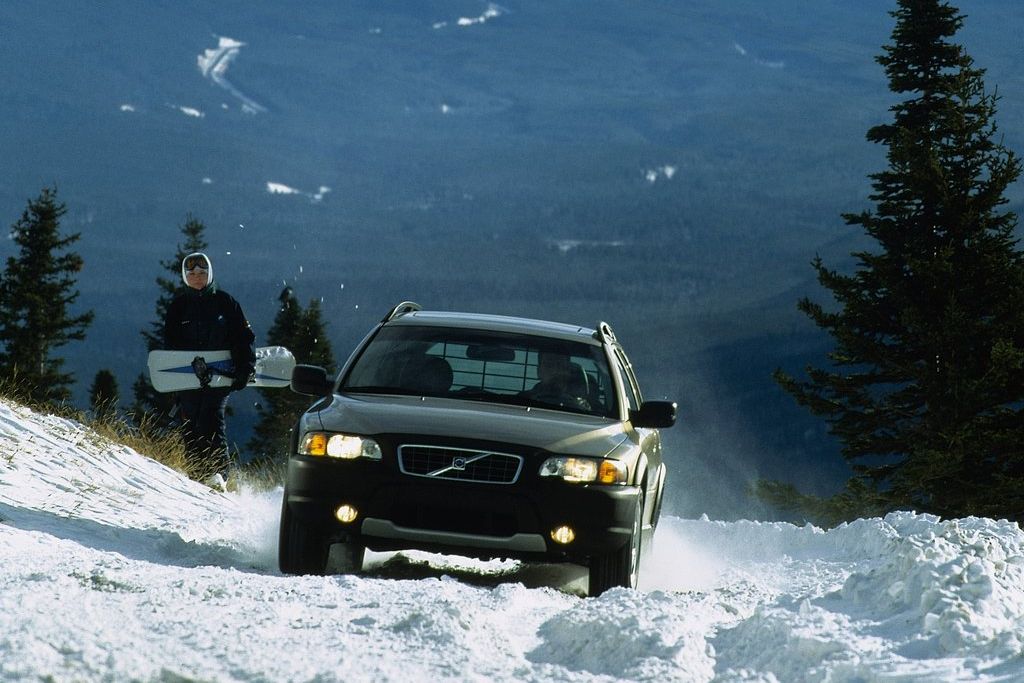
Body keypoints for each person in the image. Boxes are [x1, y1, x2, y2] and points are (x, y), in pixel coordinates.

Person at [164, 252, 255, 482]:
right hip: (188, 378)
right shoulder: (178, 307)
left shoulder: (226, 303)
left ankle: (218, 477)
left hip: (220, 375)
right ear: (185, 276)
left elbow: (243, 339)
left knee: (210, 419)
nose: (197, 277)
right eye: (192, 273)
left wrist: (245, 368)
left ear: (210, 274)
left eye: (202, 273)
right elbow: (170, 345)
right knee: (191, 425)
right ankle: (197, 479)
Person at [521, 351, 591, 411]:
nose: (555, 371)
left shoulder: (585, 410)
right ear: (539, 371)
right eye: (549, 365)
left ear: (568, 371)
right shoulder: (520, 401)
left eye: (560, 365)